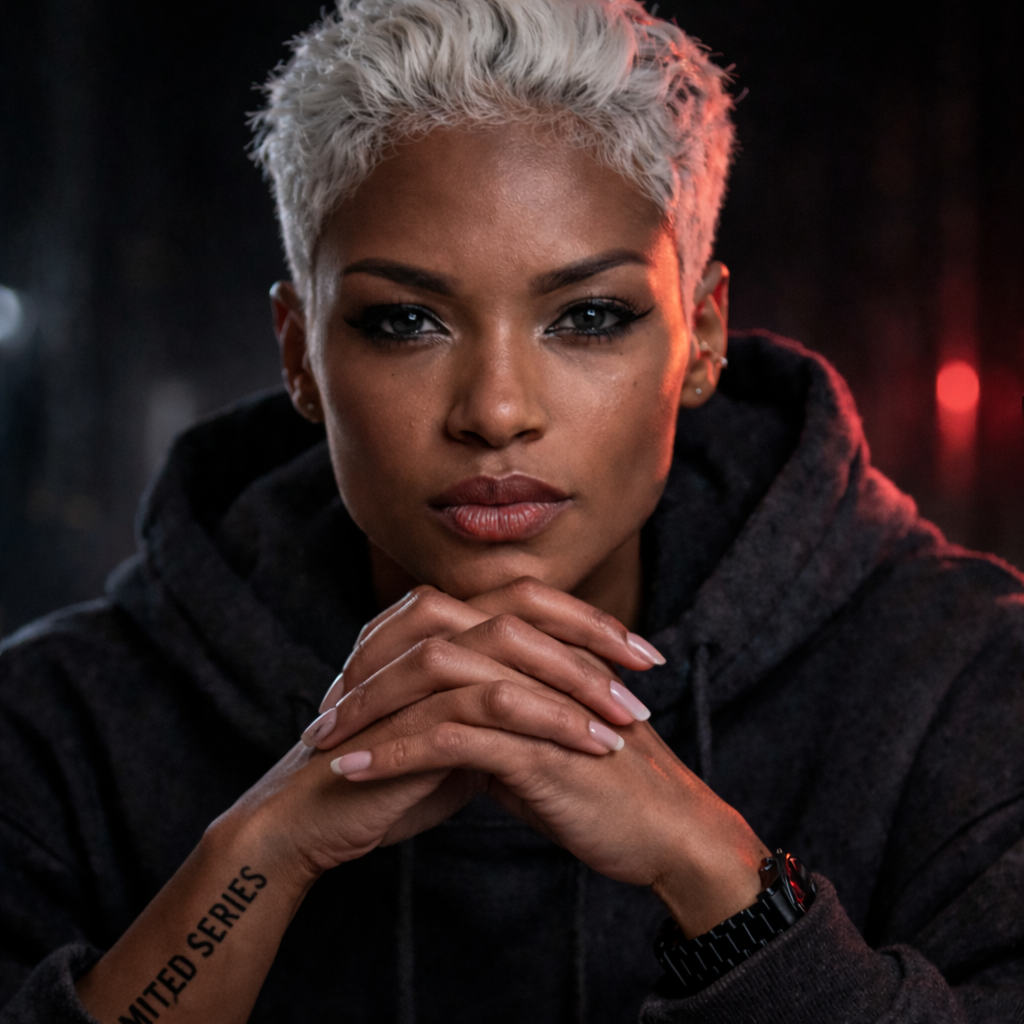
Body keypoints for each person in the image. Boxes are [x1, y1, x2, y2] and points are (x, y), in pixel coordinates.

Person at [1, 0, 1021, 1021]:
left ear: (702, 335)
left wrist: (721, 880)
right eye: (405, 320)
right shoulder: (52, 726)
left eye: (588, 316)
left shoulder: (967, 681)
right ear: (298, 353)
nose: (495, 411)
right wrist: (262, 850)